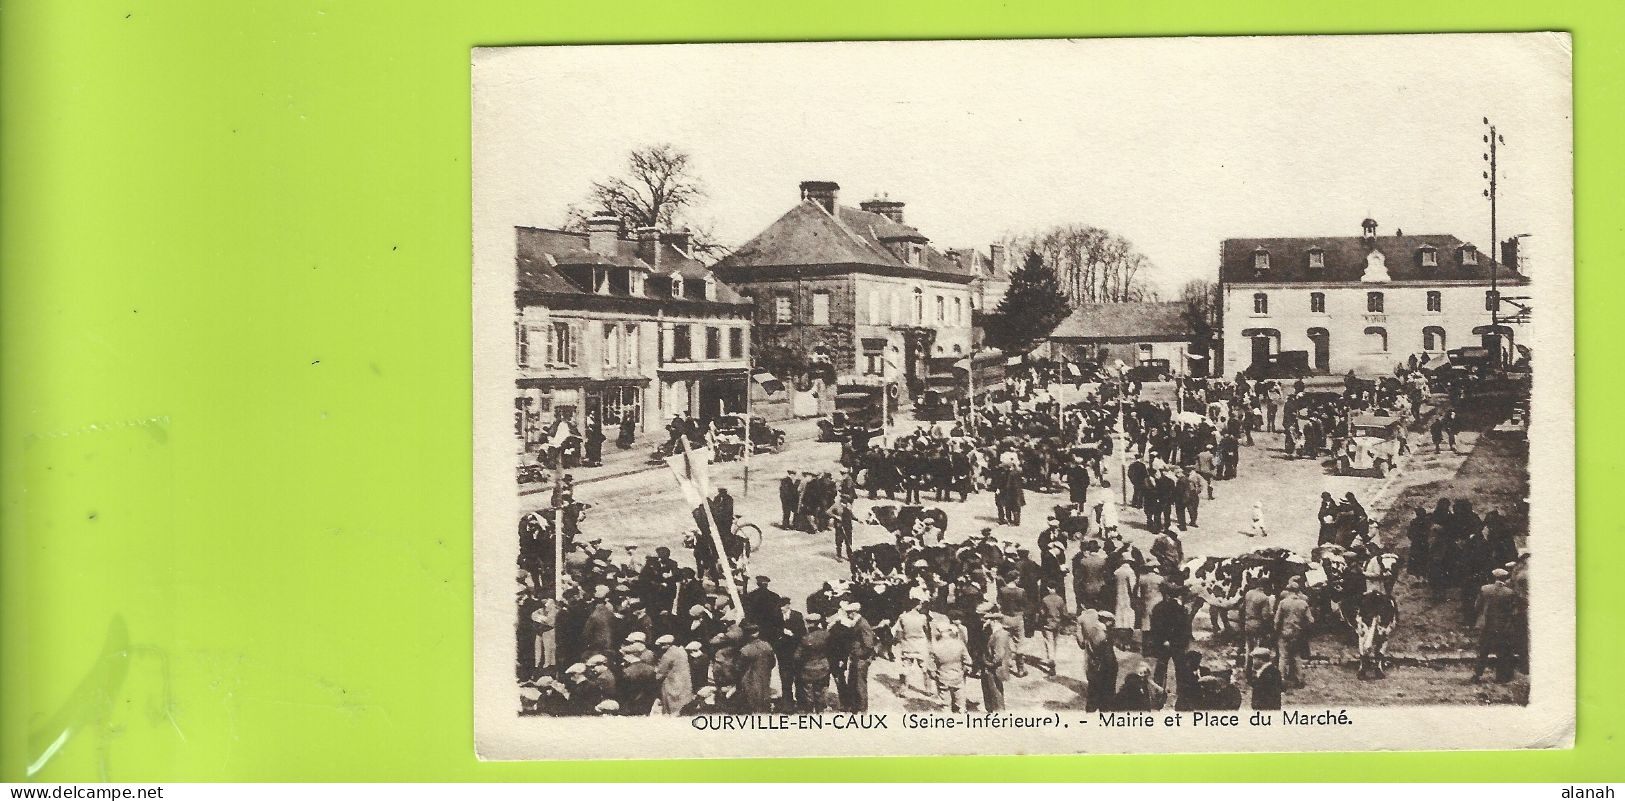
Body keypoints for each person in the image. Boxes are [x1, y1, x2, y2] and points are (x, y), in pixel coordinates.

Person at [1473, 568, 1520, 682]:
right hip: (1502, 626)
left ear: (1494, 577)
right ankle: (1500, 677)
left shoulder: (1485, 589)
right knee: (1502, 651)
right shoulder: (1509, 593)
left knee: (1483, 650)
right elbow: (1513, 611)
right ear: (1505, 578)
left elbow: (1477, 606)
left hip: (1486, 624)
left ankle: (1477, 675)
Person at [1146, 584, 1190, 687]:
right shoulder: (1180, 608)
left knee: (1162, 667)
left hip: (1166, 642)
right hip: (1176, 642)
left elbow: (1155, 627)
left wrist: (1162, 640)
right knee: (1179, 668)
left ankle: (1158, 690)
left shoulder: (1158, 607)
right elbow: (1184, 628)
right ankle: (1180, 690)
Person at [1274, 576, 1314, 689]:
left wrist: (1276, 631)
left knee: (1283, 657)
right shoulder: (1303, 603)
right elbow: (1311, 620)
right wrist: (1302, 627)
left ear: (1289, 591)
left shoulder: (1283, 602)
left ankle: (1280, 680)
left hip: (1284, 632)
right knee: (1296, 656)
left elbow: (1277, 620)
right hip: (1297, 633)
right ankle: (1300, 679)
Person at [929, 624, 971, 712]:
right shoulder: (959, 644)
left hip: (942, 676)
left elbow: (931, 663)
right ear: (950, 632)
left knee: (945, 704)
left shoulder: (936, 646)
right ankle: (962, 711)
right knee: (960, 699)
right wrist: (965, 668)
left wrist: (933, 672)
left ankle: (947, 713)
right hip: (957, 676)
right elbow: (968, 660)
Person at [796, 613, 833, 712]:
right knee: (821, 691)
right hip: (823, 667)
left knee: (808, 692)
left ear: (808, 623)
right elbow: (832, 650)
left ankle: (809, 711)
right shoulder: (826, 634)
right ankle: (820, 711)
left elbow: (797, 656)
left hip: (808, 669)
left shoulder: (805, 638)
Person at [736, 624, 777, 712]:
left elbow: (739, 667)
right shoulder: (767, 646)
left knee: (752, 700)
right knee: (764, 696)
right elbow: (773, 663)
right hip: (765, 676)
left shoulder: (745, 650)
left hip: (750, 678)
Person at [980, 606, 1013, 712]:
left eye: (988, 620)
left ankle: (999, 712)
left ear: (994, 621)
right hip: (994, 667)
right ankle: (995, 711)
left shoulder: (1000, 635)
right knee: (993, 690)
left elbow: (999, 655)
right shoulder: (997, 633)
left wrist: (988, 664)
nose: (986, 622)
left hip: (995, 668)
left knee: (996, 691)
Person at [653, 634, 693, 714]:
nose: (661, 648)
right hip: (684, 680)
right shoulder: (681, 651)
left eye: (662, 645)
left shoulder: (668, 655)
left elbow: (661, 671)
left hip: (672, 682)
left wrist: (655, 676)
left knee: (671, 706)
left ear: (667, 644)